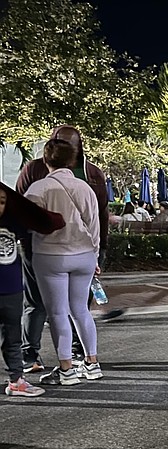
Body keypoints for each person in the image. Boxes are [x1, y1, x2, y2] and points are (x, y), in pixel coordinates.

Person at [16, 125, 110, 374]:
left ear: (46, 159)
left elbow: (26, 222)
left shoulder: (38, 188)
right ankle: (92, 362)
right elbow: (95, 224)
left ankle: (66, 368)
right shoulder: (87, 186)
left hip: (51, 256)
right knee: (80, 310)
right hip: (84, 255)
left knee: (57, 312)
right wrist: (95, 254)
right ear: (73, 158)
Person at [0, 187, 47, 396]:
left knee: (13, 337)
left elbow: (40, 220)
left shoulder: (12, 222)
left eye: (2, 202)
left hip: (12, 290)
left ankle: (16, 380)